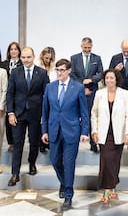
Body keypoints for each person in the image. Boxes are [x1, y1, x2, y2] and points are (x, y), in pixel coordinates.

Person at [41, 59, 89, 210]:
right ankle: (64, 182)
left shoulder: (78, 87)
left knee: (69, 164)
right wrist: (44, 131)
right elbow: (45, 111)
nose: (59, 73)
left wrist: (84, 131)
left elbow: (84, 112)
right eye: (57, 70)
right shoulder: (50, 87)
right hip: (54, 130)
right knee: (55, 161)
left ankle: (68, 194)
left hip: (72, 132)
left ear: (69, 71)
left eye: (62, 70)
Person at [6, 47, 49, 186]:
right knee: (17, 144)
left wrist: (45, 115)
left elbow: (46, 95)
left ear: (34, 57)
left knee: (34, 142)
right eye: (23, 57)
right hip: (18, 114)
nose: (26, 60)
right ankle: (15, 173)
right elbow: (10, 94)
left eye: (28, 57)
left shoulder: (42, 73)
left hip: (35, 114)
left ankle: (32, 163)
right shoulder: (15, 72)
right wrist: (10, 113)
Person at [91, 69, 128, 203]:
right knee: (106, 160)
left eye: (112, 78)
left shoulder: (124, 94)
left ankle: (113, 185)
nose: (109, 80)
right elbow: (94, 113)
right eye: (107, 78)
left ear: (116, 79)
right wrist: (94, 131)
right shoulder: (99, 94)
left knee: (114, 161)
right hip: (104, 133)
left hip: (119, 133)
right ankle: (107, 189)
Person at [70, 37, 103, 153]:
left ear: (92, 47)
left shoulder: (97, 58)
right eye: (85, 47)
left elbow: (100, 74)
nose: (87, 49)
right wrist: (81, 85)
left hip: (92, 92)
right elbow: (72, 74)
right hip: (78, 92)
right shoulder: (74, 58)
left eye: (89, 47)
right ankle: (75, 141)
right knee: (77, 116)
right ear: (81, 46)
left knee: (91, 117)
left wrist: (90, 80)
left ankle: (93, 142)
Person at [108, 39, 128, 152]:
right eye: (124, 51)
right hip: (119, 92)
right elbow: (109, 73)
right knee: (118, 116)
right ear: (121, 48)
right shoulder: (115, 58)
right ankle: (118, 139)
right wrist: (115, 70)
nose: (126, 53)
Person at [0, 42, 22, 152]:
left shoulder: (23, 64)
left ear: (19, 51)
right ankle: (11, 142)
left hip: (19, 94)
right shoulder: (3, 64)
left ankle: (18, 141)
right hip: (6, 94)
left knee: (17, 117)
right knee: (8, 117)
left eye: (15, 49)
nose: (13, 51)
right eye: (11, 49)